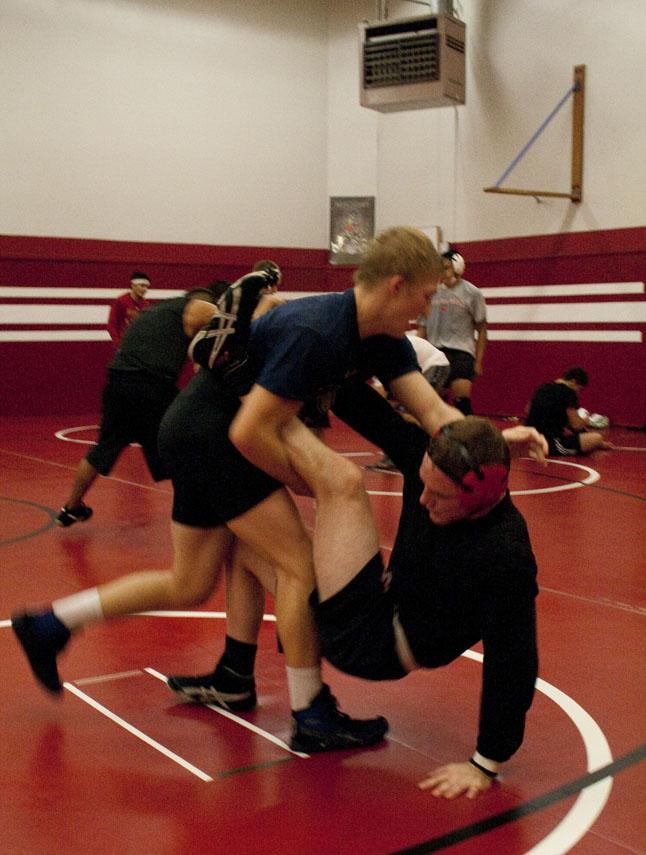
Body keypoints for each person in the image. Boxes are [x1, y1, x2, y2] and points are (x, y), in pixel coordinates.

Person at [13, 227, 460, 753]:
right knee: (299, 567)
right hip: (215, 439)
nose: (427, 310)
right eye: (427, 296)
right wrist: (306, 482)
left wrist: (496, 443)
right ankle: (310, 713)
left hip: (193, 430)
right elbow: (249, 432)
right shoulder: (317, 331)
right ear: (396, 286)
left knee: (190, 582)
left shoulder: (377, 339)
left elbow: (434, 413)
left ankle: (51, 625)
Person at [170, 390, 545, 799]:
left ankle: (250, 391)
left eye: (438, 497)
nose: (423, 500)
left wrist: (485, 763)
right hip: (379, 600)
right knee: (244, 546)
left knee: (342, 483)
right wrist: (330, 382)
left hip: (374, 644)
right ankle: (235, 676)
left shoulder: (504, 554)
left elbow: (514, 662)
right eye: (423, 484)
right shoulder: (441, 470)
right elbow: (378, 418)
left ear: (481, 500)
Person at [53, 285, 222, 527]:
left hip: (119, 380)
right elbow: (207, 347)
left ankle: (71, 508)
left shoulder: (156, 310)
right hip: (151, 385)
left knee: (104, 447)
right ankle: (202, 513)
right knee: (185, 443)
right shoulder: (198, 307)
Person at [417, 249, 487, 416]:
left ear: (458, 267)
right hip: (434, 352)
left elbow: (482, 330)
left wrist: (477, 362)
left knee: (461, 402)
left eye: (447, 268)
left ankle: (469, 439)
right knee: (435, 405)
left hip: (461, 354)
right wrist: (417, 357)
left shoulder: (472, 293)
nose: (443, 273)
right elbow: (422, 328)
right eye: (440, 269)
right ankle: (439, 440)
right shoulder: (431, 292)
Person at [367, 332, 450, 471]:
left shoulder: (383, 351)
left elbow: (378, 395)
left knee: (414, 413)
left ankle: (444, 450)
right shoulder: (380, 350)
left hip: (434, 365)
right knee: (399, 415)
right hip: (424, 368)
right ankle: (400, 456)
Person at [525, 366, 612, 455]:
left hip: (530, 437)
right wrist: (587, 419)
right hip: (549, 442)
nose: (578, 392)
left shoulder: (543, 387)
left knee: (576, 433)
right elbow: (576, 425)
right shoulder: (569, 393)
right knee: (596, 438)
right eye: (579, 389)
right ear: (573, 381)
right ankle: (544, 447)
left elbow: (527, 410)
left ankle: (536, 445)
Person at [107, 271, 151, 346]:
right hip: (124, 344)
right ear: (133, 285)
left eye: (147, 287)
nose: (145, 289)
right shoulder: (121, 301)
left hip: (139, 346)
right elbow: (112, 324)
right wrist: (118, 344)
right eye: (142, 286)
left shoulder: (146, 305)